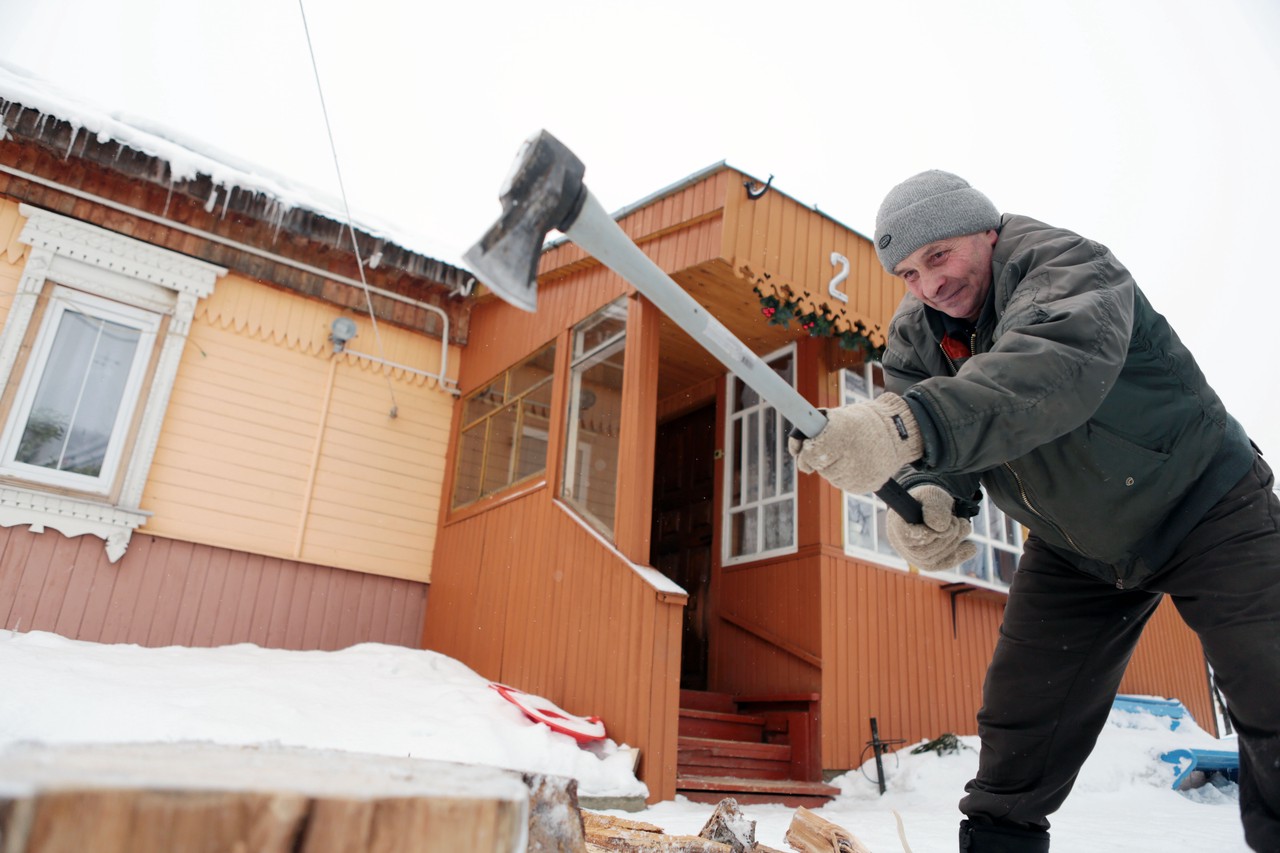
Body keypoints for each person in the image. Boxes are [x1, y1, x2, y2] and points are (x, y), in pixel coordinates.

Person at [788, 170, 1280, 851]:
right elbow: (944, 459)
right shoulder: (917, 337)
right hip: (1076, 546)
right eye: (908, 272)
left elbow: (1047, 372)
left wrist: (906, 425)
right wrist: (933, 497)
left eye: (940, 256)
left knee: (1270, 687)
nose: (929, 284)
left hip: (1205, 500)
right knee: (1021, 723)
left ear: (987, 231)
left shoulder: (1068, 267)